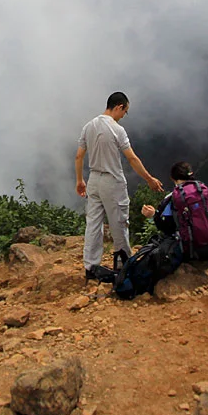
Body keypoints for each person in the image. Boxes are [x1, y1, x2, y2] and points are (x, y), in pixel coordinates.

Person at [75, 92, 163, 280]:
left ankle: (91, 267)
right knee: (119, 223)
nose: (124, 115)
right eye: (125, 111)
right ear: (119, 107)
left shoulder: (88, 126)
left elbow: (79, 156)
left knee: (93, 224)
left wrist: (80, 180)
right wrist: (149, 179)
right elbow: (131, 158)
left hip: (93, 179)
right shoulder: (117, 130)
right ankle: (124, 265)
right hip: (112, 181)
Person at [141, 161, 208, 260]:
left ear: (173, 178)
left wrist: (153, 215)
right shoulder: (205, 192)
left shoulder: (172, 198)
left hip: (188, 251)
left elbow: (167, 228)